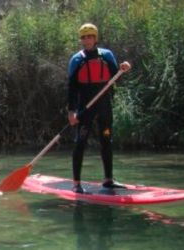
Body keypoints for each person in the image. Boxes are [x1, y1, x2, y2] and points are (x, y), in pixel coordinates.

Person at [67, 23, 131, 193]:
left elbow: (116, 76)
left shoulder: (107, 55)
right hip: (85, 109)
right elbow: (72, 88)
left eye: (90, 36)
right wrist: (71, 111)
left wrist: (123, 69)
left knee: (106, 140)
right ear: (81, 39)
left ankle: (108, 180)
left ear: (95, 38)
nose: (87, 40)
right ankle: (76, 183)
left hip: (104, 107)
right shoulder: (77, 59)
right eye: (84, 37)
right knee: (80, 143)